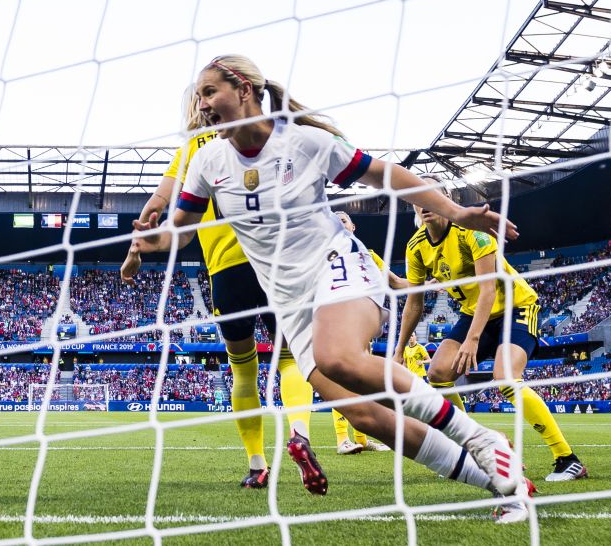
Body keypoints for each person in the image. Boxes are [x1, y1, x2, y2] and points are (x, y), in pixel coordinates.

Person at [133, 55, 530, 520]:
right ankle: (504, 486)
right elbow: (179, 228)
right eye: (198, 97)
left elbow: (384, 174)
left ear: (243, 89)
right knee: (366, 416)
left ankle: (480, 437)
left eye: (208, 92)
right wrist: (148, 242)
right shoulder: (207, 160)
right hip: (289, 301)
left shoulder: (303, 142)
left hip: (337, 266)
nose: (200, 105)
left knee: (338, 357)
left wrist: (456, 211)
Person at [122, 96, 324, 493]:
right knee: (290, 359)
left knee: (243, 371)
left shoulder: (195, 148)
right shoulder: (261, 134)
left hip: (226, 270)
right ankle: (299, 433)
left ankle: (257, 465)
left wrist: (132, 253)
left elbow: (155, 207)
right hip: (274, 261)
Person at [394, 175, 586, 482]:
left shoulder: (473, 231)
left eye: (430, 194)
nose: (423, 202)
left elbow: (489, 289)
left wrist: (472, 340)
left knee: (505, 377)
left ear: (446, 198)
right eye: (416, 196)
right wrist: (399, 351)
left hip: (515, 306)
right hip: (475, 314)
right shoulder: (416, 248)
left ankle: (567, 459)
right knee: (438, 373)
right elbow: (414, 303)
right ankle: (474, 444)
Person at [329, 211, 397, 455]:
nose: (339, 222)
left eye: (343, 219)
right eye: (334, 220)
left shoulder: (368, 255)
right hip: (336, 320)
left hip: (361, 324)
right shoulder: (325, 253)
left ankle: (361, 438)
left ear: (354, 226)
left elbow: (397, 283)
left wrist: (431, 284)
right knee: (343, 379)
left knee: (360, 382)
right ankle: (342, 439)